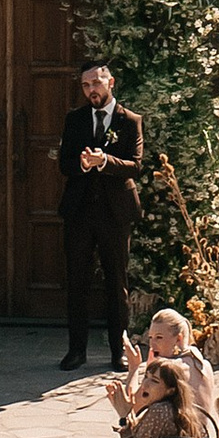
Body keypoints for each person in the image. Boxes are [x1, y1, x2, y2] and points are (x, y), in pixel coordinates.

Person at [56, 60, 144, 373]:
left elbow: (135, 165)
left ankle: (118, 351)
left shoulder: (129, 120)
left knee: (116, 283)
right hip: (80, 211)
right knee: (77, 281)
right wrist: (82, 164)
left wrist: (104, 160)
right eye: (86, 85)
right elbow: (64, 164)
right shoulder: (75, 119)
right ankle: (76, 351)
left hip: (115, 213)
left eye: (96, 83)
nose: (91, 90)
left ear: (111, 83)